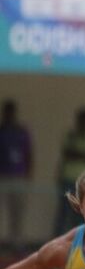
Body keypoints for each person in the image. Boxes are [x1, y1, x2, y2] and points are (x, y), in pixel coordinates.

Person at [55, 107, 85, 236]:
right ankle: (57, 242)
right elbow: (67, 154)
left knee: (80, 213)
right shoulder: (70, 136)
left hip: (83, 182)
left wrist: (78, 154)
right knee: (63, 212)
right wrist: (84, 155)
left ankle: (78, 241)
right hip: (67, 178)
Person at [0, 99, 33, 249]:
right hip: (3, 176)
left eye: (11, 111)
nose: (8, 114)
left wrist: (29, 173)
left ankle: (17, 242)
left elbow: (29, 153)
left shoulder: (21, 131)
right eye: (6, 111)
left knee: (17, 211)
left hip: (19, 176)